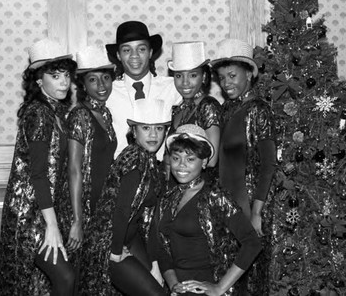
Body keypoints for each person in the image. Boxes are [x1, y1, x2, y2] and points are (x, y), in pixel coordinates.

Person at [0, 38, 77, 296]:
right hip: (31, 215)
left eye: (66, 75)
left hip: (44, 209)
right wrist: (51, 226)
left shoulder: (55, 111)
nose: (64, 82)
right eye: (55, 76)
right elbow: (38, 175)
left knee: (45, 283)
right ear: (39, 80)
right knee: (65, 277)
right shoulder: (39, 113)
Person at [156, 124, 262, 296]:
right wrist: (174, 284)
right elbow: (162, 249)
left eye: (190, 160)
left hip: (206, 286)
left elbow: (252, 243)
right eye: (176, 158)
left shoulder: (215, 196)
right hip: (177, 289)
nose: (181, 166)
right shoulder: (168, 197)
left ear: (204, 162)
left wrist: (220, 287)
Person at [80, 99, 170, 295]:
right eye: (146, 128)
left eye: (159, 128)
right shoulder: (134, 159)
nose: (153, 135)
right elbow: (121, 210)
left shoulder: (150, 161)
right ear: (134, 131)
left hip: (129, 238)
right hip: (108, 242)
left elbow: (149, 219)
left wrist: (153, 263)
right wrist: (115, 251)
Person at [211, 38, 277, 295]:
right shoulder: (226, 109)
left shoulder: (259, 110)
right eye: (222, 77)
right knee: (228, 278)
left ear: (249, 73)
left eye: (232, 75)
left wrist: (257, 212)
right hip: (226, 204)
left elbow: (269, 165)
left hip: (250, 205)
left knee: (250, 280)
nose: (227, 83)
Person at [65, 45, 117, 257]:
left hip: (103, 203)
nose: (101, 85)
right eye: (93, 79)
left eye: (105, 77)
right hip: (85, 205)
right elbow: (74, 170)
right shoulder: (80, 115)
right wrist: (78, 220)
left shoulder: (105, 114)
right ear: (83, 85)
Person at [105, 20, 181, 160]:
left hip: (160, 173)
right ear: (118, 55)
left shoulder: (172, 88)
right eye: (127, 50)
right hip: (118, 173)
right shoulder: (107, 93)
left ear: (150, 52)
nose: (135, 56)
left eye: (141, 49)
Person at [166, 41, 221, 181]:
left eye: (192, 75)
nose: (185, 83)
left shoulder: (208, 106)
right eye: (179, 76)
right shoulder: (178, 108)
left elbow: (212, 159)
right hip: (174, 186)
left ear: (203, 77)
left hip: (198, 188)